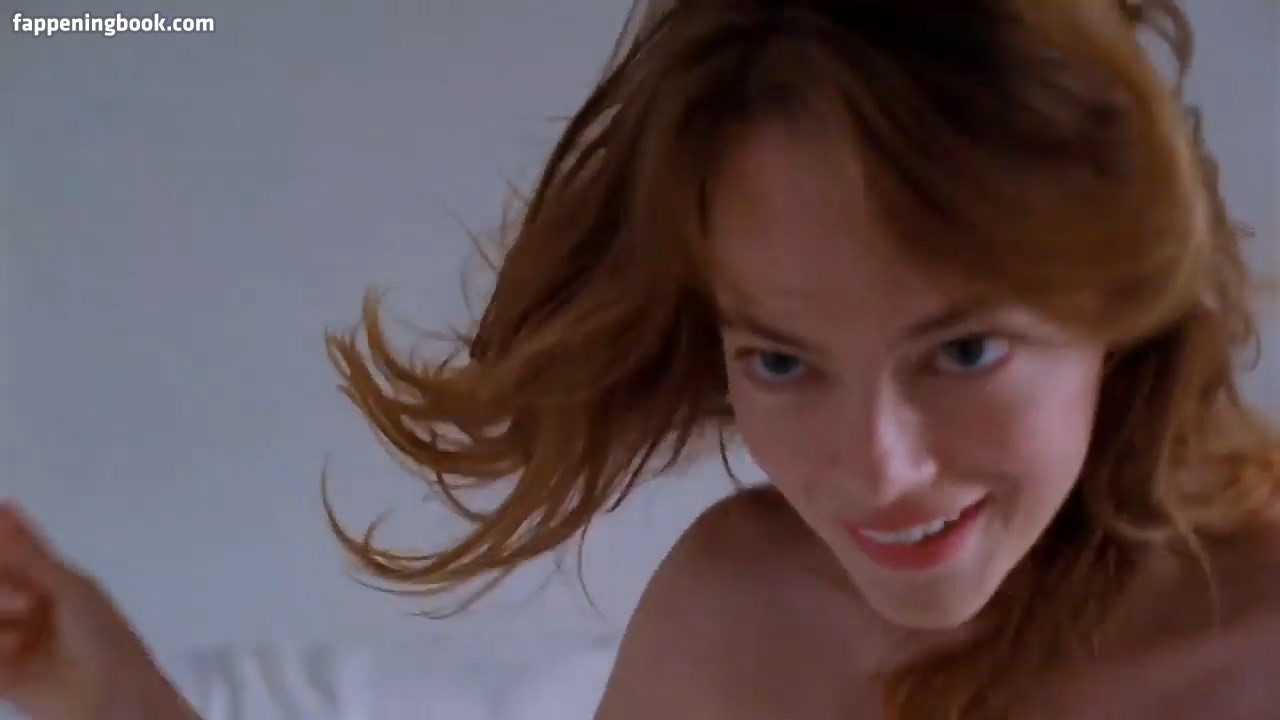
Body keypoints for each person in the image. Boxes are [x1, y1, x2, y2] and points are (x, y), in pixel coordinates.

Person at [3, 0, 1279, 717]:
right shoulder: (742, 615)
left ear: (1122, 300)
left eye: (962, 350)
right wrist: (118, 703)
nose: (877, 468)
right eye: (782, 362)